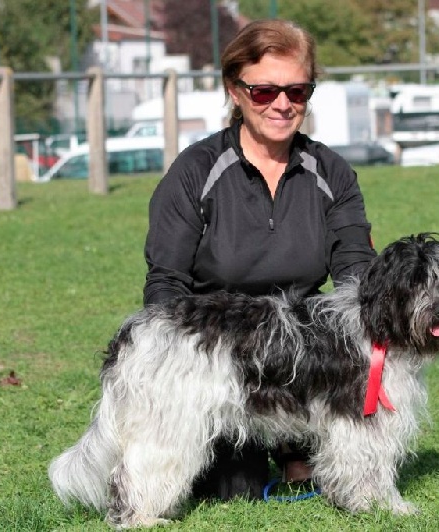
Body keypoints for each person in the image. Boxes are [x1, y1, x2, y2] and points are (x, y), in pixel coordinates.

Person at [142, 19, 376, 501]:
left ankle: (301, 446)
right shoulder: (195, 170)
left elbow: (358, 276)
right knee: (234, 491)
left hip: (305, 363)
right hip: (216, 362)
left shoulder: (331, 171)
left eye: (297, 90)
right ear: (234, 89)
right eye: (264, 90)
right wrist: (170, 383)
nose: (283, 104)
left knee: (323, 472)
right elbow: (165, 284)